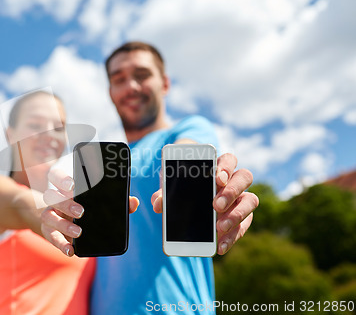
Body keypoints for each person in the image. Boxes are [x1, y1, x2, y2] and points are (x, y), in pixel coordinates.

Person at [41, 42, 259, 314]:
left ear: (164, 83)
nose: (131, 86)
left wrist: (207, 186)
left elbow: (187, 153)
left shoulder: (187, 130)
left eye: (142, 75)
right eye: (119, 79)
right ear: (111, 92)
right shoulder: (102, 164)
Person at [0, 91, 99, 315]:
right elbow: (21, 203)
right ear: (10, 135)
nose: (50, 135)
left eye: (59, 128)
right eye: (35, 124)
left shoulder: (74, 211)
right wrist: (50, 211)